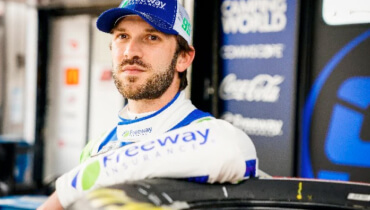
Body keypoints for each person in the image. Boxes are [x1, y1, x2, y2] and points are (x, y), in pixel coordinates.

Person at [38, 0, 258, 209]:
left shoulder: (205, 132)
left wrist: (73, 186)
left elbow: (236, 150)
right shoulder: (96, 149)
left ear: (183, 58)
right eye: (122, 36)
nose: (130, 51)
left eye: (151, 37)